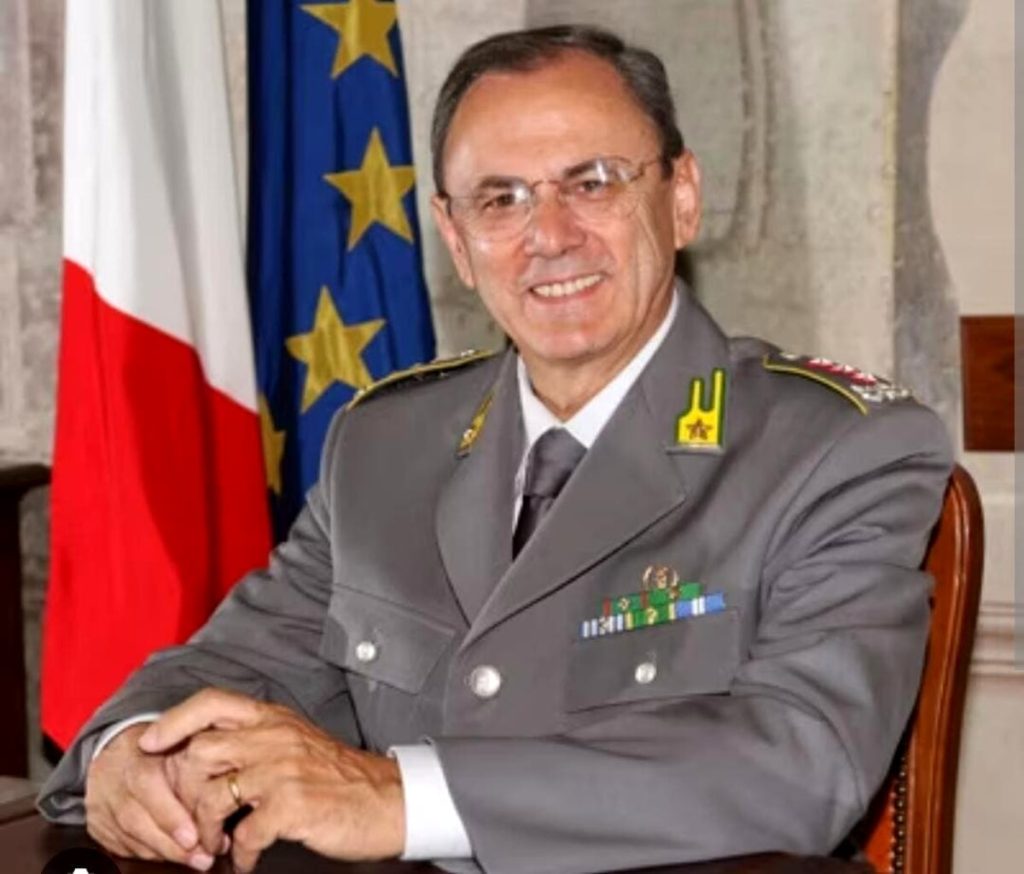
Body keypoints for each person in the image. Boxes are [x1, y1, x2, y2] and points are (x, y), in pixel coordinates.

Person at [38, 24, 952, 874]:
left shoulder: (836, 450)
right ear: (456, 240)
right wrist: (131, 752)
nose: (549, 237)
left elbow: (800, 764)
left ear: (680, 199)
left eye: (593, 182)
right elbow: (240, 661)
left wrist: (399, 799)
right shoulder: (386, 444)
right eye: (500, 199)